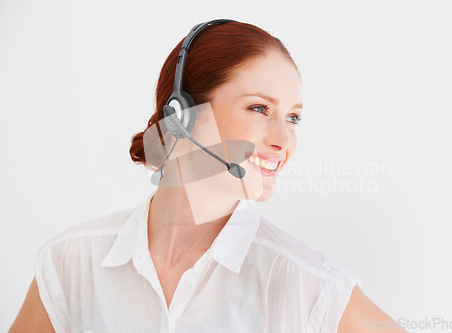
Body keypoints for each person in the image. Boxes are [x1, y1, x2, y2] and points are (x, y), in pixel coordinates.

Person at [10, 19, 407, 333]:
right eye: (259, 108)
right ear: (181, 117)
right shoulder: (71, 262)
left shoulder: (308, 284)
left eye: (293, 117)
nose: (284, 140)